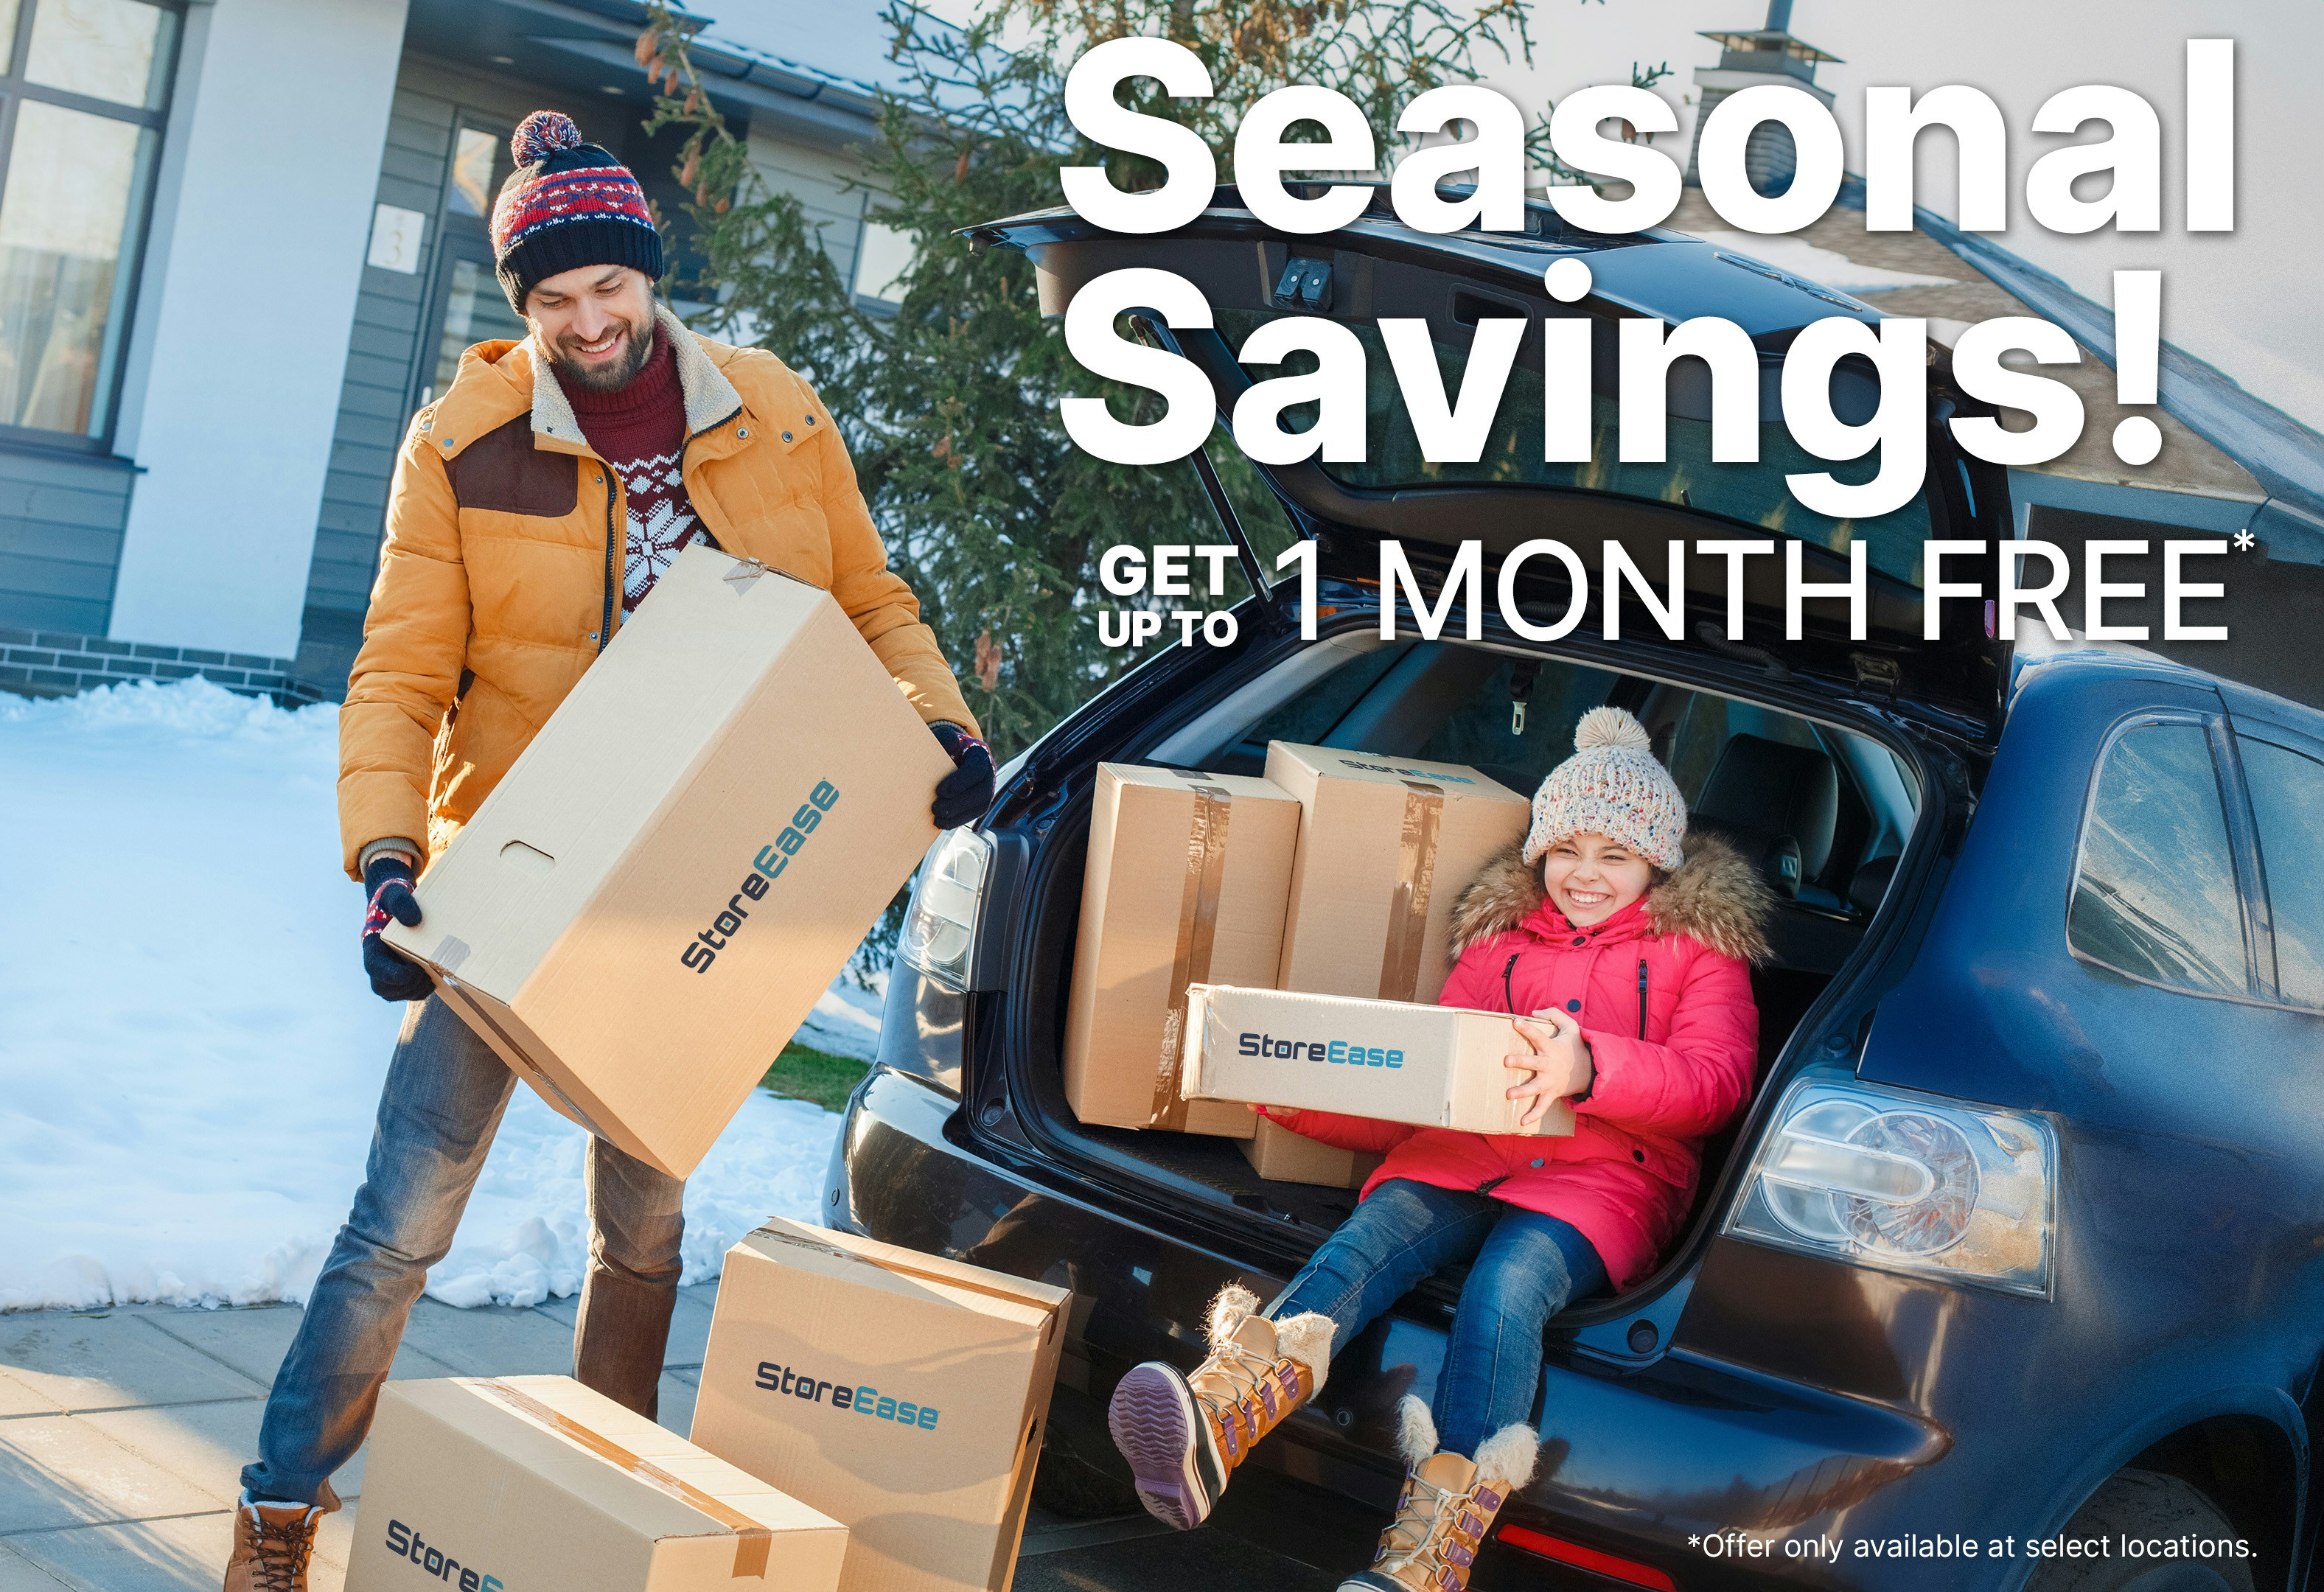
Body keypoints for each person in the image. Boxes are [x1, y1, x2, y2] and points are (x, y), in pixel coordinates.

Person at [223, 111, 991, 1591]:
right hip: (516, 877)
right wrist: (387, 861)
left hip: (692, 878)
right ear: (522, 309)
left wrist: (938, 725)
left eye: (607, 289)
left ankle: (599, 1507)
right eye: (551, 300)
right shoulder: (464, 442)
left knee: (643, 1228)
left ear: (650, 275)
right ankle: (279, 1510)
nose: (587, 321)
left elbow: (870, 602)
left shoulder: (774, 413)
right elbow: (397, 674)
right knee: (400, 1222)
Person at [1105, 707, 1769, 1592]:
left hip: (1603, 1180)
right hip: (1460, 1153)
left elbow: (1715, 1083)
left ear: (1658, 861)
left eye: (1615, 855)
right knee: (1369, 1237)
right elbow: (1421, 1088)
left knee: (1507, 1290)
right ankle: (1219, 1419)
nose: (1586, 874)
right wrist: (1300, 1098)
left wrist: (1590, 1066)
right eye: (1567, 849)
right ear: (1539, 852)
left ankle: (1427, 1558)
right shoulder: (1497, 941)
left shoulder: (1699, 952)